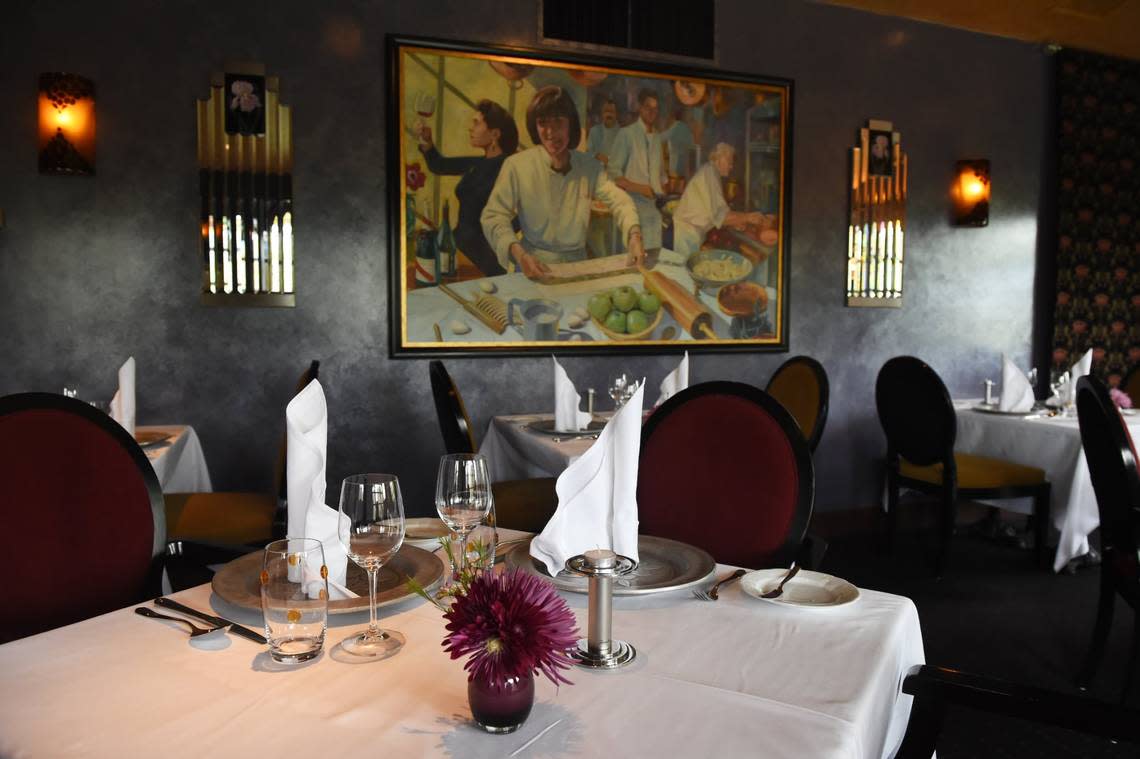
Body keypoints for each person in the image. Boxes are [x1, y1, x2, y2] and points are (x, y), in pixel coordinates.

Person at [481, 86, 643, 280]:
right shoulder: (516, 166)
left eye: (558, 122)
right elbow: (493, 216)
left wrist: (634, 235)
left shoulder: (590, 167)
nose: (551, 132)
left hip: (578, 267)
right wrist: (520, 255)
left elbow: (620, 201)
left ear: (571, 124)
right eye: (543, 123)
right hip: (531, 266)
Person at [415, 100, 518, 276]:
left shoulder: (511, 168)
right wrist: (427, 141)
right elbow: (439, 165)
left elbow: (525, 215)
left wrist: (498, 239)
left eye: (477, 123)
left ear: (495, 134)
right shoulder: (478, 163)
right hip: (458, 248)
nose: (471, 128)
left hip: (483, 258)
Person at [672, 143, 766, 257]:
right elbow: (719, 216)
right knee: (685, 270)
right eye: (729, 162)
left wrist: (736, 221)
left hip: (691, 231)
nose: (731, 166)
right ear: (718, 158)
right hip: (687, 233)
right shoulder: (710, 173)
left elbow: (718, 213)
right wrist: (748, 217)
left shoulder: (711, 172)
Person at [607, 89, 666, 253]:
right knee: (632, 260)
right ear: (640, 108)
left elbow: (661, 176)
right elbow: (613, 175)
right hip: (630, 207)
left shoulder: (657, 138)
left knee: (653, 260)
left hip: (653, 211)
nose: (652, 112)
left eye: (655, 109)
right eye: (648, 107)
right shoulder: (626, 134)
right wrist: (641, 188)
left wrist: (662, 194)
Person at [586, 98, 621, 167]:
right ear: (602, 113)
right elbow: (588, 152)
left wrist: (608, 160)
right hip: (596, 171)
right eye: (606, 111)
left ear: (617, 114)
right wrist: (597, 155)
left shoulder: (623, 134)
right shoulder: (594, 131)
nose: (609, 114)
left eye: (611, 111)